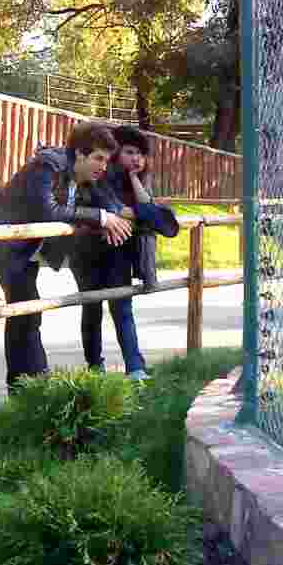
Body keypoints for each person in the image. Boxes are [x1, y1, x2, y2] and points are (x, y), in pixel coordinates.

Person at [0, 122, 134, 394]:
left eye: (107, 160)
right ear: (79, 154)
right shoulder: (48, 167)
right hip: (4, 243)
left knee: (25, 312)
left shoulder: (81, 176)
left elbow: (105, 201)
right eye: (98, 158)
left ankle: (24, 386)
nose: (103, 166)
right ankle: (35, 384)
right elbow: (47, 210)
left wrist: (114, 215)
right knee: (27, 310)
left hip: (25, 248)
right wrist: (100, 217)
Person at [69, 125, 179, 381]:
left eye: (140, 154)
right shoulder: (98, 177)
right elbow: (98, 206)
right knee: (92, 308)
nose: (136, 158)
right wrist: (133, 215)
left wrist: (134, 186)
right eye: (130, 152)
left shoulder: (136, 181)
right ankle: (95, 367)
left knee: (122, 307)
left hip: (118, 251)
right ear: (116, 152)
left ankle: (135, 368)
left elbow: (156, 218)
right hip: (87, 253)